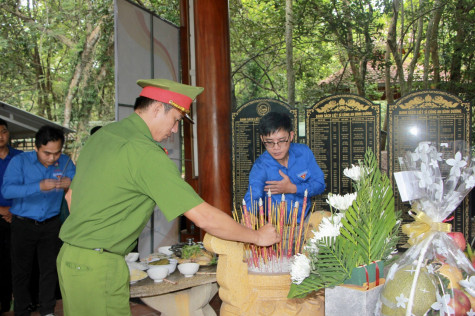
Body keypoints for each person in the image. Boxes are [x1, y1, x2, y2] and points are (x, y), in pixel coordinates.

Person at [57, 78, 280, 316]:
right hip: (98, 266)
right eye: (175, 120)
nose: (175, 130)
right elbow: (203, 217)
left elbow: (71, 198)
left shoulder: (105, 135)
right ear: (156, 109)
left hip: (71, 258)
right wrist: (257, 236)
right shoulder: (144, 152)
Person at [2, 125, 76, 316]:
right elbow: (7, 190)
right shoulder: (20, 162)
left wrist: (72, 184)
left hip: (51, 225)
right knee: (21, 272)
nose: (52, 158)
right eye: (47, 153)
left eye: (57, 153)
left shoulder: (66, 163)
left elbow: (81, 185)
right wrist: (38, 186)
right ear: (36, 148)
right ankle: (21, 310)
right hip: (22, 223)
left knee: (49, 270)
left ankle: (47, 310)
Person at [244, 112, 325, 223]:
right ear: (262, 139)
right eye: (269, 142)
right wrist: (248, 216)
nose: (276, 147)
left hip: (306, 223)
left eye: (282, 141)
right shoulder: (261, 166)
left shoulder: (304, 153)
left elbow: (320, 184)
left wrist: (293, 188)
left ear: (291, 136)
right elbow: (254, 196)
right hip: (275, 227)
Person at [0, 119, 23, 314]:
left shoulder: (20, 158)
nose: (1, 136)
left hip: (18, 216)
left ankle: (17, 303)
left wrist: (13, 210)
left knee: (17, 261)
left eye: (4, 131)